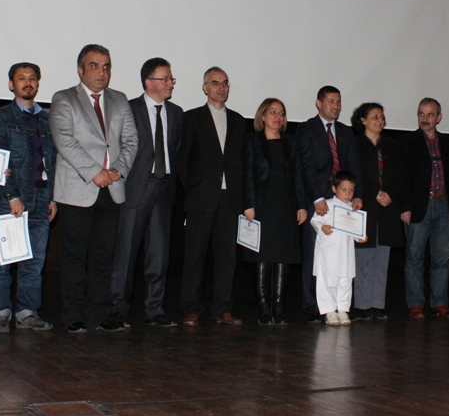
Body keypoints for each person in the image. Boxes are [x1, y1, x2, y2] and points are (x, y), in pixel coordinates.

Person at [50, 44, 138, 333]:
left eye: (106, 66)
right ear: (80, 70)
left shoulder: (120, 99)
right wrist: (94, 173)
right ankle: (73, 314)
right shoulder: (64, 98)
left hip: (112, 188)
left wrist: (118, 171)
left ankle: (100, 315)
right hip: (78, 189)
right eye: (94, 65)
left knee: (103, 256)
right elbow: (64, 141)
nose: (102, 72)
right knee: (75, 256)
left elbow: (131, 140)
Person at [110, 58, 183, 328]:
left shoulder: (176, 113)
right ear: (148, 82)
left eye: (171, 79)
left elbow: (176, 148)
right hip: (136, 188)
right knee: (126, 253)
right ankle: (118, 309)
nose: (170, 83)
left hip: (164, 189)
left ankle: (155, 309)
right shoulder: (130, 109)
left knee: (159, 254)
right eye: (165, 79)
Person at [0, 62, 57, 333]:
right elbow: (0, 160)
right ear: (11, 84)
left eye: (32, 78)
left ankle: (27, 312)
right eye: (21, 78)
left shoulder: (48, 118)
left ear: (38, 84)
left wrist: (53, 198)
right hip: (9, 199)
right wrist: (12, 195)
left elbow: (53, 161)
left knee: (34, 262)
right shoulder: (2, 117)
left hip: (42, 197)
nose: (28, 82)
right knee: (2, 260)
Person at [178, 67, 245, 326]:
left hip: (230, 201)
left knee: (227, 258)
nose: (221, 87)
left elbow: (241, 162)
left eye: (225, 83)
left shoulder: (239, 121)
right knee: (194, 256)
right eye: (215, 83)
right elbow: (183, 161)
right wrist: (194, 190)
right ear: (205, 88)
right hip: (201, 199)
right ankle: (191, 308)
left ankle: (222, 308)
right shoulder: (191, 118)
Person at [293, 86, 362, 323]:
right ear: (318, 103)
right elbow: (306, 166)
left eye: (339, 101)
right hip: (319, 199)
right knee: (315, 253)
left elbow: (354, 165)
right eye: (331, 101)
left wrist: (357, 195)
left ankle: (339, 306)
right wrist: (316, 198)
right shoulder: (306, 129)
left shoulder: (346, 132)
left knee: (342, 255)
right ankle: (313, 305)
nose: (336, 106)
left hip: (344, 200)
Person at [242, 98, 306, 324]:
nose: (278, 117)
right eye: (272, 112)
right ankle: (263, 308)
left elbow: (297, 175)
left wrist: (301, 205)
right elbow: (247, 174)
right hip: (262, 206)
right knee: (262, 255)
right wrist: (249, 204)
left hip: (285, 206)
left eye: (281, 113)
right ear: (262, 116)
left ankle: (278, 308)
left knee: (283, 255)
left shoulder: (291, 142)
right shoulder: (252, 141)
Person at [402, 98, 449, 319]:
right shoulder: (408, 141)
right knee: (414, 258)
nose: (425, 119)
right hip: (419, 206)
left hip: (444, 205)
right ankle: (415, 304)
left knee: (441, 258)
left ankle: (440, 302)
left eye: (430, 114)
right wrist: (405, 207)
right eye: (421, 114)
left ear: (439, 118)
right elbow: (403, 178)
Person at [349, 102, 408, 321]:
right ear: (362, 120)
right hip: (363, 207)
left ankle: (377, 304)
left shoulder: (391, 145)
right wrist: (366, 194)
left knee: (381, 259)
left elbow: (401, 176)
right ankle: (363, 305)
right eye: (374, 117)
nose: (380, 120)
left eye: (381, 116)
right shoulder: (355, 145)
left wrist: (391, 194)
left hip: (387, 209)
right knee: (363, 258)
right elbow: (352, 175)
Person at [311, 170, 367, 326]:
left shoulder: (353, 209)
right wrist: (322, 227)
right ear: (334, 189)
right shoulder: (327, 205)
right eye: (344, 189)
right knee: (328, 281)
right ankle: (329, 311)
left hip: (346, 254)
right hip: (329, 253)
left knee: (345, 281)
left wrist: (361, 237)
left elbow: (356, 231)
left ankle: (342, 309)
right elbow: (315, 220)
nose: (347, 194)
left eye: (351, 190)